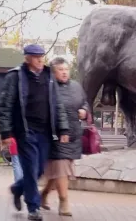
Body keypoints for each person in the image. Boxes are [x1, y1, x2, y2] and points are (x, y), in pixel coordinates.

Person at [0, 44, 69, 221]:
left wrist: (63, 128)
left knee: (38, 171)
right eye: (36, 57)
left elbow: (57, 104)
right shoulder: (15, 76)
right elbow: (5, 104)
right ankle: (33, 207)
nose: (40, 60)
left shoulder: (49, 76)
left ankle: (17, 189)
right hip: (25, 131)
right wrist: (5, 132)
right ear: (27, 58)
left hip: (45, 132)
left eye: (42, 56)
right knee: (30, 169)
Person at [40, 57, 88, 216]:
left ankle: (44, 194)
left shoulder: (76, 86)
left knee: (59, 171)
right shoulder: (48, 88)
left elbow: (85, 102)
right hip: (55, 136)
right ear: (53, 72)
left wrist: (84, 111)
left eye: (66, 69)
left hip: (73, 135)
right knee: (61, 168)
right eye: (60, 69)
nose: (64, 72)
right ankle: (64, 201)